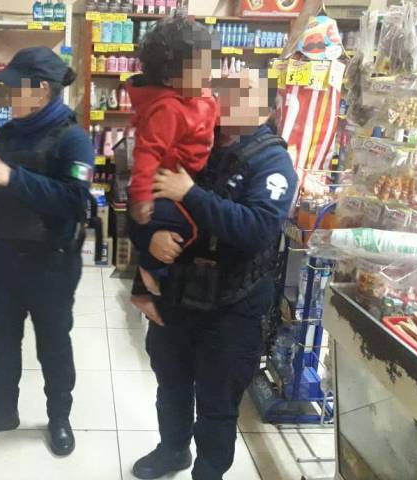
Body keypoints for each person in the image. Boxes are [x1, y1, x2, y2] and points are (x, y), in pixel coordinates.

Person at [129, 70, 298, 480]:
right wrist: (148, 244)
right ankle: (172, 451)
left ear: (268, 108)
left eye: (243, 91)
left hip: (232, 306)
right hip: (175, 295)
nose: (228, 97)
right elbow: (140, 202)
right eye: (223, 88)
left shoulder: (272, 162)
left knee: (217, 404)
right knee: (171, 386)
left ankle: (208, 472)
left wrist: (190, 193)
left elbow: (256, 228)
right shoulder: (192, 142)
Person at [0, 46, 94, 457]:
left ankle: (59, 418)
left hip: (50, 264)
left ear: (41, 90)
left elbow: (75, 200)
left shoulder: (73, 140)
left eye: (16, 87)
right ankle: (3, 411)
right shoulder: (7, 134)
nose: (9, 96)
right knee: (1, 341)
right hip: (3, 257)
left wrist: (14, 178)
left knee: (53, 345)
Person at [126, 16, 217, 305]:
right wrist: (141, 198)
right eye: (198, 69)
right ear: (168, 78)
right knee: (189, 229)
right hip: (162, 188)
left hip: (187, 179)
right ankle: (149, 269)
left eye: (208, 64)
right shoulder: (167, 109)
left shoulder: (200, 96)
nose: (207, 73)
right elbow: (146, 154)